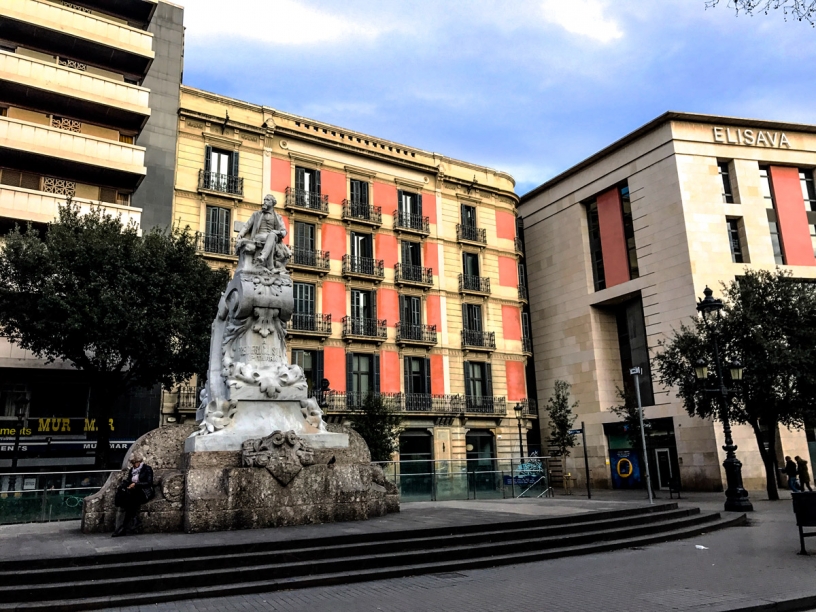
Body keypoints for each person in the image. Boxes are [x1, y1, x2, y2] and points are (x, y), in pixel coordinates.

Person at [112, 453, 154, 537]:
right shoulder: (132, 470)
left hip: (144, 491)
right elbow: (128, 480)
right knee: (127, 500)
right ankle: (132, 521)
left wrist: (136, 484)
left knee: (130, 500)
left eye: (135, 463)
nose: (134, 465)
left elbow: (149, 483)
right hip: (133, 492)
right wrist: (125, 485)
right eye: (132, 463)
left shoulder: (147, 469)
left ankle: (123, 527)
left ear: (139, 461)